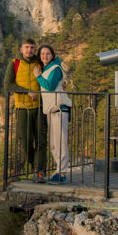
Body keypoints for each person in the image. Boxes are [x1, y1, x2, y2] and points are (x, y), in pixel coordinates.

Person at [3, 38, 47, 181]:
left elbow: (50, 78)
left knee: (41, 140)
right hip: (22, 108)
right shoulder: (14, 64)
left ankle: (40, 171)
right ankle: (34, 166)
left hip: (40, 107)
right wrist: (27, 91)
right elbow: (8, 85)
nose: (29, 50)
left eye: (32, 48)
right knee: (26, 141)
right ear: (21, 49)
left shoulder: (40, 63)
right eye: (27, 47)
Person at [33, 45, 71, 183]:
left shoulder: (55, 69)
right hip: (51, 110)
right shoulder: (46, 69)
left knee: (60, 142)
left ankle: (62, 173)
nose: (45, 56)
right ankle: (58, 171)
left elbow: (49, 86)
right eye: (42, 54)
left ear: (52, 55)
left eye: (48, 54)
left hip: (59, 109)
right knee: (54, 143)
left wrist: (38, 77)